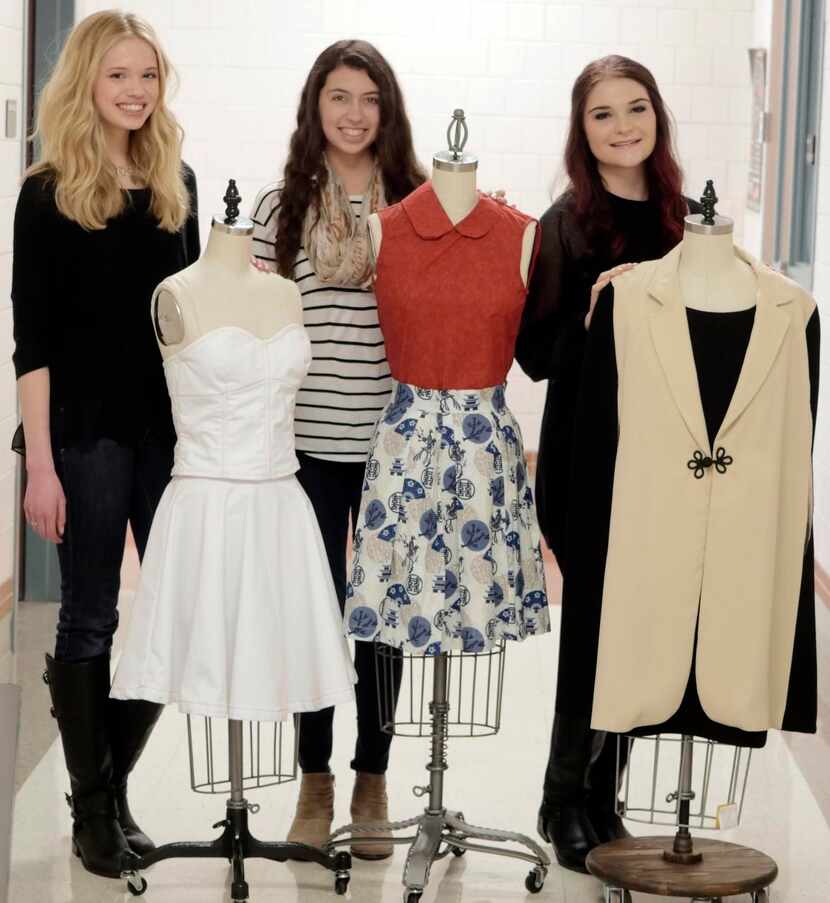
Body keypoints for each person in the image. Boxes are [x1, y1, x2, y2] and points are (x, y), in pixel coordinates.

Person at [11, 11, 199, 879]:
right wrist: (39, 465)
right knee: (92, 612)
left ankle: (109, 784)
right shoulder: (46, 192)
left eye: (148, 76)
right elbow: (34, 344)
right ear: (85, 81)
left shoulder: (176, 184)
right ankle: (94, 814)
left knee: (173, 615)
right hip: (82, 435)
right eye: (119, 75)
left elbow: (185, 325)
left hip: (166, 434)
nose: (134, 91)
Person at [515, 54, 702, 874]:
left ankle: (605, 791)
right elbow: (533, 357)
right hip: (589, 455)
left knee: (641, 627)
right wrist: (598, 311)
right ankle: (562, 794)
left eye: (636, 109)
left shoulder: (681, 222)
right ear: (580, 129)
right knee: (591, 627)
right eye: (603, 114)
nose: (623, 126)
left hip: (664, 457)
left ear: (656, 117)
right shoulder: (566, 224)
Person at [251, 39, 426, 859]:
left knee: (381, 622)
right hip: (305, 448)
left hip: (396, 442)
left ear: (387, 112)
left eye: (370, 100)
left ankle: (373, 778)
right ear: (314, 105)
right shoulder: (277, 207)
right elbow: (253, 328)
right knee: (316, 617)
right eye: (339, 97)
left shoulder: (420, 205)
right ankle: (314, 781)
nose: (354, 114)